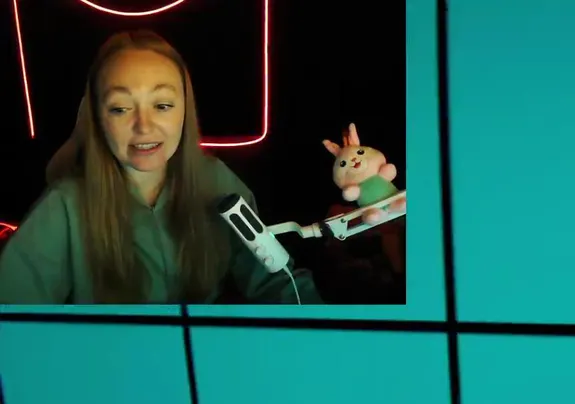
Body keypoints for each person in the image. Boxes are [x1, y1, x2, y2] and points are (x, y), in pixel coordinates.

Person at [0, 30, 380, 304]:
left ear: (185, 110)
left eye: (162, 105)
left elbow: (275, 281)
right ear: (97, 118)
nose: (144, 126)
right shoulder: (65, 206)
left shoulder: (216, 182)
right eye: (120, 108)